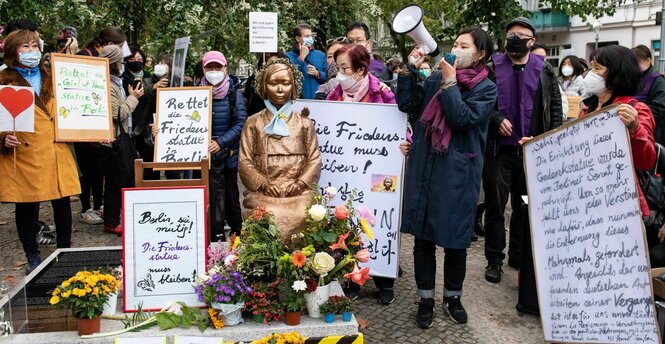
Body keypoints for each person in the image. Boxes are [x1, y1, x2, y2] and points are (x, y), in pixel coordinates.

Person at [397, 26, 497, 328]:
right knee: (424, 238)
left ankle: (453, 297)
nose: (456, 49)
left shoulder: (486, 88)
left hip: (457, 174)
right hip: (427, 166)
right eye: (455, 43)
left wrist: (451, 85)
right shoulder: (438, 78)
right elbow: (409, 107)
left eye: (464, 45)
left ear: (480, 54)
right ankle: (425, 298)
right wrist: (409, 72)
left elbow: (462, 118)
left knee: (455, 240)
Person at [482, 17, 562, 283]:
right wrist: (495, 120)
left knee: (523, 206)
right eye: (512, 34)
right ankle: (494, 259)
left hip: (532, 151)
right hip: (498, 150)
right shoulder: (492, 67)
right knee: (495, 206)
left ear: (532, 40)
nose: (516, 38)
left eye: (523, 34)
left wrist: (549, 141)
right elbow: (482, 103)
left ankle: (517, 253)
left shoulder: (545, 70)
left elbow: (555, 109)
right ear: (506, 39)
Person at [0, 29, 81, 272]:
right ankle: (32, 256)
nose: (32, 52)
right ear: (13, 51)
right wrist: (3, 138)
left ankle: (65, 251)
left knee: (62, 200)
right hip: (24, 153)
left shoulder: (55, 76)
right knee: (27, 204)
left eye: (35, 46)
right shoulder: (4, 80)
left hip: (57, 148)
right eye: (25, 47)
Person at [326, 43, 398, 304]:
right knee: (346, 227)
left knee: (379, 223)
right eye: (337, 68)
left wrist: (405, 142)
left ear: (360, 70)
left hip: (378, 175)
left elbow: (400, 128)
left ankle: (384, 280)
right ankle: (351, 277)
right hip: (345, 173)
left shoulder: (383, 93)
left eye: (344, 68)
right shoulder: (334, 95)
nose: (340, 74)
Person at [238, 58, 321, 241]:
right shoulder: (253, 123)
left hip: (298, 192)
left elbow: (314, 159)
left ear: (293, 86)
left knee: (304, 213)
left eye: (285, 83)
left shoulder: (304, 124)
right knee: (267, 215)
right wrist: (263, 184)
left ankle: (301, 261)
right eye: (274, 83)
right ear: (264, 86)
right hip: (264, 192)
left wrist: (300, 183)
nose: (280, 89)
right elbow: (245, 161)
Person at [579, 44, 655, 227]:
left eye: (597, 68)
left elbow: (647, 160)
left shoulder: (636, 110)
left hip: (619, 203)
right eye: (591, 67)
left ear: (616, 73)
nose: (591, 73)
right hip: (586, 198)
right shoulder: (587, 109)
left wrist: (635, 128)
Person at [200, 51, 247, 241]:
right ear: (203, 69)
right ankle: (211, 239)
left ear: (225, 68)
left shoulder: (234, 94)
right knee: (208, 201)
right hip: (202, 160)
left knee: (231, 201)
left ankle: (237, 239)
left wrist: (220, 143)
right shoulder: (193, 92)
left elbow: (240, 123)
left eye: (217, 67)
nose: (214, 71)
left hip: (227, 157)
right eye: (209, 67)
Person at [99, 45, 143, 235]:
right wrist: (133, 98)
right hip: (115, 140)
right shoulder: (108, 85)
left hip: (123, 136)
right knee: (117, 181)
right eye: (121, 61)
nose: (123, 64)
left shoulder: (116, 82)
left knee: (122, 178)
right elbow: (118, 113)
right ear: (114, 63)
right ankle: (111, 221)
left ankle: (118, 218)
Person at [631, 45, 665, 145]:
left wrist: (636, 112)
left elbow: (660, 109)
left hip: (653, 134)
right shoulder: (633, 80)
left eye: (637, 62)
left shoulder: (658, 81)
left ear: (648, 61)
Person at [284, 24, 327, 99]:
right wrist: (301, 57)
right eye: (307, 36)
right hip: (297, 100)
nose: (310, 38)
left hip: (318, 100)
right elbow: (288, 76)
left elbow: (328, 77)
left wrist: (317, 73)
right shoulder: (288, 56)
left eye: (310, 36)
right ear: (298, 38)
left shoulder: (321, 55)